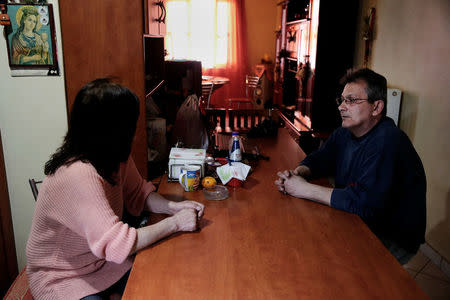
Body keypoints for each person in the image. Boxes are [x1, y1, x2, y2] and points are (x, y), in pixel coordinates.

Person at [26, 78, 205, 299]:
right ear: (112, 130)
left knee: (163, 279)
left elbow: (139, 192)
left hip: (101, 263)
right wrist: (176, 223)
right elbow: (117, 244)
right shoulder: (78, 174)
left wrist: (173, 207)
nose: (136, 132)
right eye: (131, 125)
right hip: (62, 278)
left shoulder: (112, 155)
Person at [275, 68, 426, 265]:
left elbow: (364, 202)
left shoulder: (388, 141)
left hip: (392, 233)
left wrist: (304, 189)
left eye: (352, 100)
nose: (341, 107)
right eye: (342, 100)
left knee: (341, 269)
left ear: (376, 107)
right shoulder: (346, 131)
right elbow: (321, 158)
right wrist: (298, 174)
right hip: (361, 218)